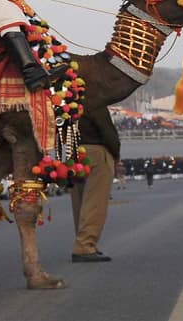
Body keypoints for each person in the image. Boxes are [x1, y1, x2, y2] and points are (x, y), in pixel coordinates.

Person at [70, 108, 119, 262]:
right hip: (97, 152)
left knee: (79, 201)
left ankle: (82, 240)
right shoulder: (94, 99)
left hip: (74, 152)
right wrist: (115, 153)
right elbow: (107, 131)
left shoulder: (66, 98)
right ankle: (85, 244)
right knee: (95, 201)